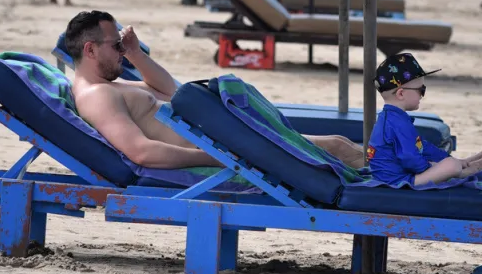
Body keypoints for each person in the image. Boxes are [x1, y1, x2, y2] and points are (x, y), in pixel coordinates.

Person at [68, 11, 365, 169]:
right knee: (337, 148)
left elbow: (169, 90)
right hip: (224, 146)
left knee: (339, 144)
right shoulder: (98, 95)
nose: (121, 51)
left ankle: (396, 173)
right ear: (90, 49)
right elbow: (143, 153)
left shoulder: (108, 84)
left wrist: (136, 54)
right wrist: (221, 157)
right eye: (116, 46)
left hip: (226, 137)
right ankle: (395, 182)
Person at [368, 53, 482, 186]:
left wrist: (445, 158)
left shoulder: (394, 118)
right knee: (451, 166)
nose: (422, 95)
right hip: (399, 181)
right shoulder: (397, 123)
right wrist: (431, 168)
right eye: (421, 90)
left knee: (450, 163)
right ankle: (466, 171)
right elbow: (409, 157)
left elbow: (421, 147)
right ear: (401, 93)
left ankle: (465, 163)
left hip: (396, 175)